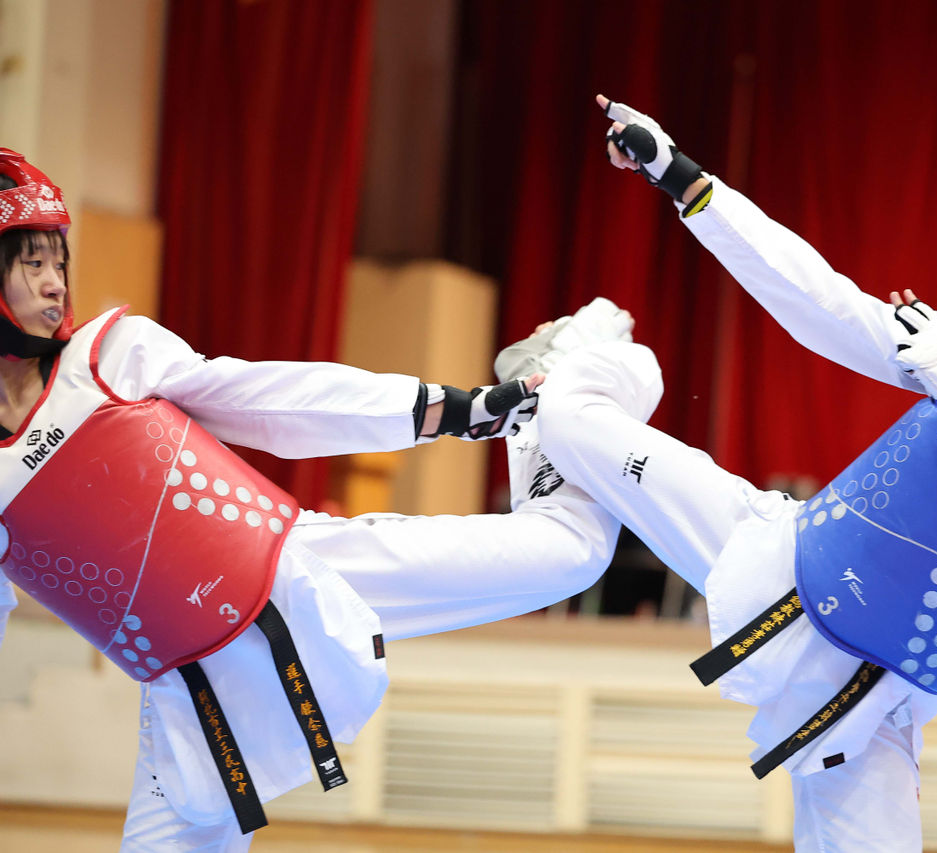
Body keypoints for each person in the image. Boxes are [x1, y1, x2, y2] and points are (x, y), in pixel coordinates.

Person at [521, 97, 937, 851]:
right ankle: (571, 368)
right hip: (771, 547)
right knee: (567, 414)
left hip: (871, 695)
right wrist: (685, 180)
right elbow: (823, 304)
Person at [0, 148, 633, 852]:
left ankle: (564, 372)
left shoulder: (111, 358)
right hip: (193, 698)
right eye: (32, 263)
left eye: (59, 260)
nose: (56, 282)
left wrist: (453, 408)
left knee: (572, 553)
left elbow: (273, 399)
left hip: (305, 570)